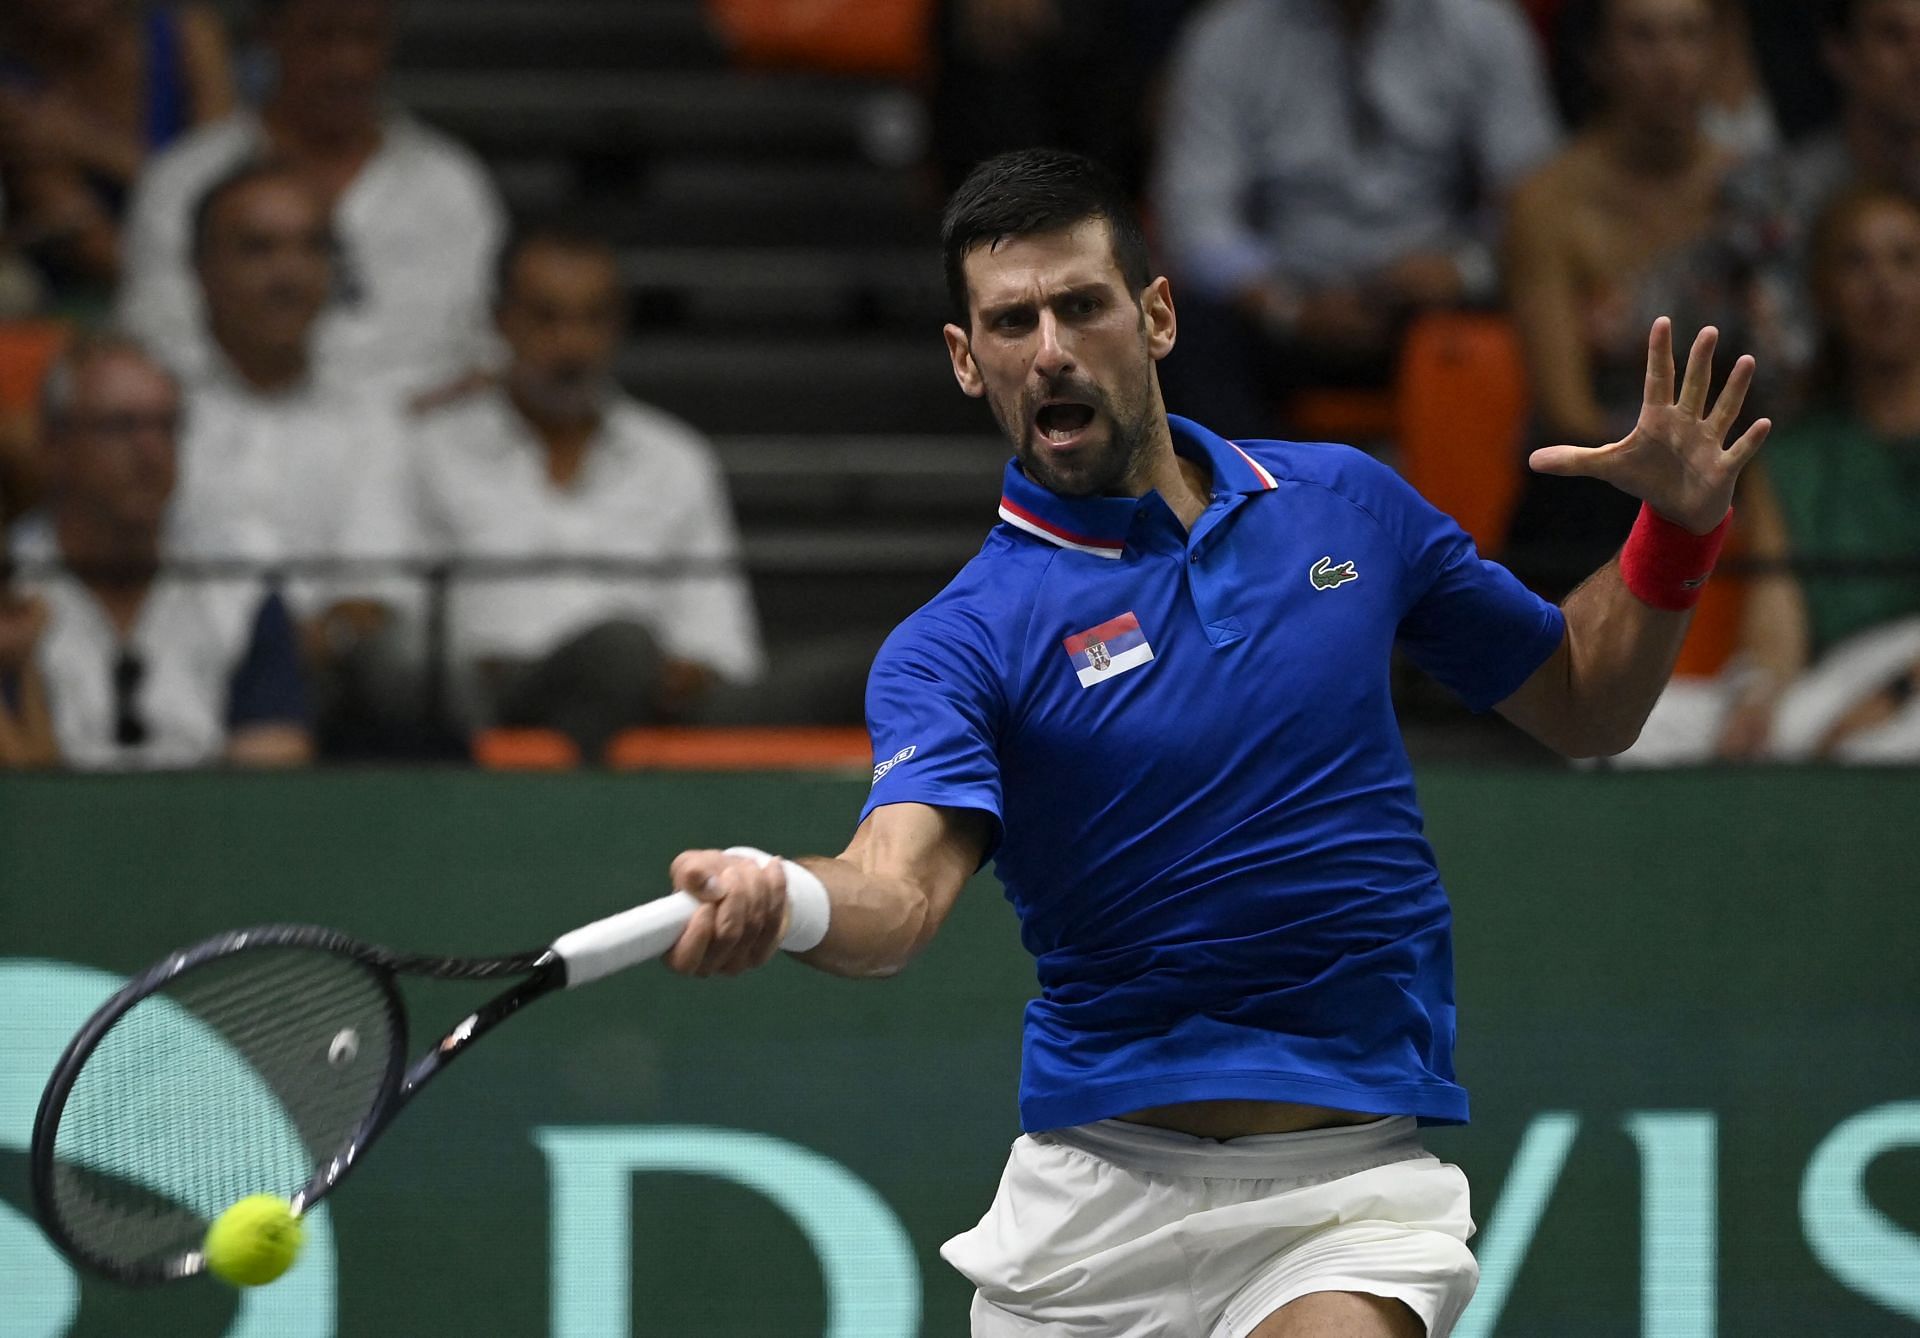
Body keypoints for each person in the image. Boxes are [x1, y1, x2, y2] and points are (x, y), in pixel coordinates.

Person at [652, 150, 1769, 1336]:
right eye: (1011, 322)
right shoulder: (958, 644)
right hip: (1093, 1213)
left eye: (1081, 305)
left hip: (1344, 1194)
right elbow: (897, 890)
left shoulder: (1347, 506)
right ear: (966, 360)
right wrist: (786, 894)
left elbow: (1585, 699)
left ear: (1157, 314)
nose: (1051, 349)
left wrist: (1675, 533)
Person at [398, 226, 763, 757]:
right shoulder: (431, 452)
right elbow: (395, 628)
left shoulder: (675, 459)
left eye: (593, 319)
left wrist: (679, 672)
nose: (572, 346)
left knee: (877, 671)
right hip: (488, 706)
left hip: (648, 704)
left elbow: (722, 648)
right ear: (502, 322)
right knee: (618, 648)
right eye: (547, 317)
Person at [1151, 0, 1560, 435]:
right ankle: (1248, 497)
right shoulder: (1228, 36)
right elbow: (1194, 218)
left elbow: (1536, 198)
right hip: (1281, 301)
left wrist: (1460, 271)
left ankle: (1498, 500)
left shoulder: (1481, 24)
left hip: (1435, 298)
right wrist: (1285, 305)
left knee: (1537, 302)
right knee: (1181, 330)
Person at [1621, 185, 1920, 766]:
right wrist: (1757, 703)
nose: (1883, 285)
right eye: (1856, 262)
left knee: (1888, 747)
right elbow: (1778, 622)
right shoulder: (1790, 454)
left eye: (1906, 260)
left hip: (1909, 678)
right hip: (1837, 679)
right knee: (1630, 730)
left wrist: (1896, 693)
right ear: (1823, 294)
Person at [114, 0, 503, 400]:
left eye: (366, 36)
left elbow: (479, 350)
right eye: (322, 35)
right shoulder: (185, 178)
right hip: (219, 439)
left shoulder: (448, 183)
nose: (347, 64)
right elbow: (156, 338)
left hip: (420, 437)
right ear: (269, 36)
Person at [1502, 0, 1753, 599]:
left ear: (1717, 51)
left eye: (1689, 35)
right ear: (1598, 58)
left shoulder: (1756, 189)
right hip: (1598, 491)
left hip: (1746, 466)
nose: (1670, 63)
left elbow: (1796, 374)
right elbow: (1568, 413)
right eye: (1643, 37)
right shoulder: (1547, 204)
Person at [164, 159, 415, 750]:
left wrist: (272, 651)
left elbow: (371, 596)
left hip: (324, 693)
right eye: (258, 249)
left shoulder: (373, 418)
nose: (289, 274)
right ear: (201, 270)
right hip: (167, 671)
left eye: (310, 249)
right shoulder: (154, 409)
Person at [7, 332, 310, 769]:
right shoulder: (10, 588)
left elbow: (273, 770)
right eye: (120, 427)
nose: (151, 452)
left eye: (166, 426)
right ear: (55, 446)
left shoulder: (241, 588)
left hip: (210, 834)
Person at [0, 0, 234, 304]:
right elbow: (93, 247)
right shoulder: (16, 92)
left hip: (218, 265)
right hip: (106, 291)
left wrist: (91, 145)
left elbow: (223, 191)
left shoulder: (186, 33)